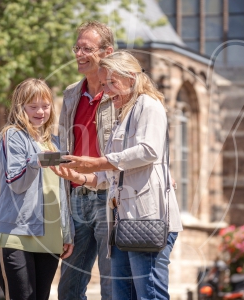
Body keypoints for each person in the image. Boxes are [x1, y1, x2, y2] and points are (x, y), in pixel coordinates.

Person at [51, 50, 183, 299]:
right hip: (121, 223)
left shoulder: (148, 105)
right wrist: (81, 174)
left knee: (149, 295)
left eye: (112, 82)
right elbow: (110, 174)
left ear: (131, 78)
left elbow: (148, 150)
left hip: (147, 219)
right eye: (104, 83)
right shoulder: (123, 115)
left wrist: (99, 161)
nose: (107, 90)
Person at [0, 78, 74, 300]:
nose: (40, 112)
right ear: (20, 107)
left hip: (50, 240)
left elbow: (61, 191)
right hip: (15, 236)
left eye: (45, 106)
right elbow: (17, 183)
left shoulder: (54, 142)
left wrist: (67, 231)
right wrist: (38, 160)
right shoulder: (12, 135)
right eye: (33, 106)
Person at [57, 21, 115, 300]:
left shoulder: (120, 93)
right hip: (77, 196)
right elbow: (64, 142)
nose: (79, 54)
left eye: (86, 49)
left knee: (112, 284)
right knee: (68, 287)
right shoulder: (71, 93)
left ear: (107, 52)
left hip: (111, 196)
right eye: (77, 48)